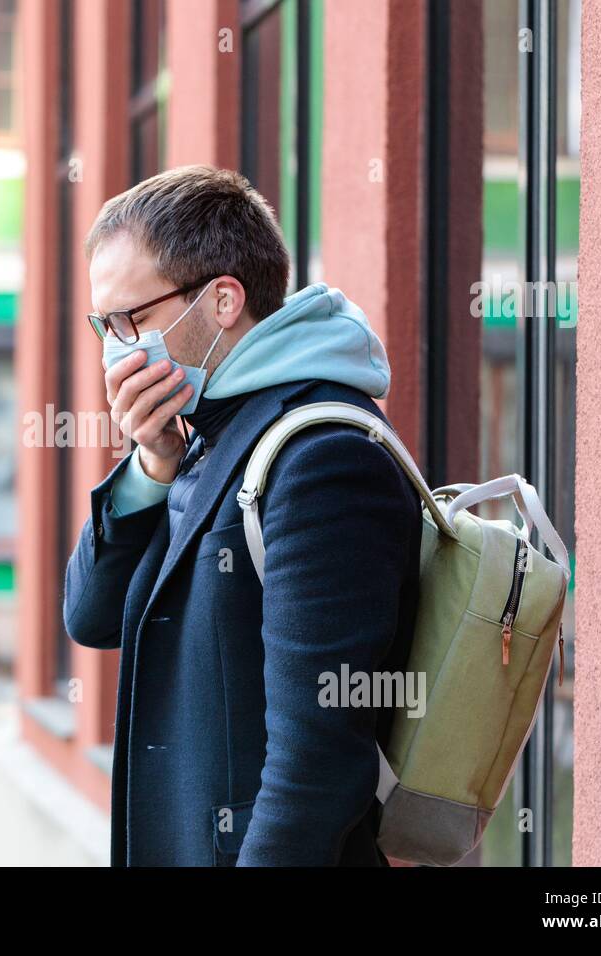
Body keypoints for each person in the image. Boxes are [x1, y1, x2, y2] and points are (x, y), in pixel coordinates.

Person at [63, 164, 422, 866]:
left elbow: (316, 763)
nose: (115, 349)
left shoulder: (319, 453)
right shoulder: (209, 432)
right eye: (102, 325)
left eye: (131, 319)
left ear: (223, 301)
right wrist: (151, 465)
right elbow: (91, 617)